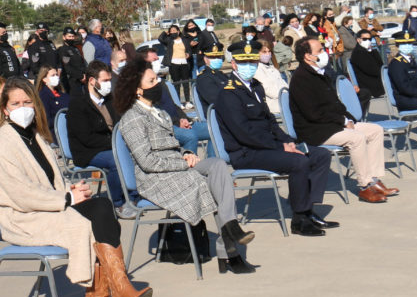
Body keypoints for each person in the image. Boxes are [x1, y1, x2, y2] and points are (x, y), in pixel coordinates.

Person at [0, 78, 151, 297]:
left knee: (102, 207)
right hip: (22, 217)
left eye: (27, 102)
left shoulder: (35, 136)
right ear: (4, 109)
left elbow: (50, 182)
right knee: (87, 222)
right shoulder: (2, 142)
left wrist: (69, 191)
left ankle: (110, 295)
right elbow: (21, 194)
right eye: (15, 103)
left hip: (46, 206)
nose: (22, 107)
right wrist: (65, 199)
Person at [114, 61, 256, 274]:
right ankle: (230, 252)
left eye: (158, 79)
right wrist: (183, 162)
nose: (158, 83)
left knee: (218, 166)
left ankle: (230, 229)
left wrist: (186, 154)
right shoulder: (132, 119)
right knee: (211, 185)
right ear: (137, 90)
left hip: (176, 168)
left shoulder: (158, 112)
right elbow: (147, 162)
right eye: (152, 81)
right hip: (155, 179)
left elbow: (169, 146)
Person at [214, 42, 336, 237]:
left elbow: (270, 122)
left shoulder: (255, 86)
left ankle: (307, 209)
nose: (250, 66)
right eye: (244, 62)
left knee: (320, 155)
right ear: (234, 64)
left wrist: (288, 141)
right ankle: (299, 219)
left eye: (253, 62)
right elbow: (244, 133)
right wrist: (280, 147)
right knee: (299, 162)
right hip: (246, 152)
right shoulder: (228, 94)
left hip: (268, 146)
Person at [288, 36, 397, 204]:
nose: (324, 53)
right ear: (308, 56)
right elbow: (313, 113)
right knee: (357, 138)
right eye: (320, 51)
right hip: (315, 131)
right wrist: (343, 122)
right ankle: (365, 186)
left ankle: (374, 180)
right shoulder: (301, 78)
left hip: (332, 124)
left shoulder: (320, 73)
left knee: (375, 130)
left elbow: (335, 104)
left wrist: (348, 119)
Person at [65, 61, 124, 206]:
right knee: (116, 160)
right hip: (88, 151)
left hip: (111, 144)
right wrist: (115, 144)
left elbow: (119, 122)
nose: (108, 84)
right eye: (105, 81)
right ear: (92, 81)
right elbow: (86, 138)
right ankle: (117, 203)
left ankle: (134, 193)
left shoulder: (110, 99)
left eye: (109, 80)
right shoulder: (78, 104)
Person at [136, 46, 208, 153]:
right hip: (168, 127)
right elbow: (157, 111)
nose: (157, 62)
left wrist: (185, 119)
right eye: (154, 60)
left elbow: (173, 106)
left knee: (212, 129)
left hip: (180, 122)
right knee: (190, 136)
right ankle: (188, 166)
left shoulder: (161, 82)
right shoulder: (146, 88)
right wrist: (178, 123)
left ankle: (210, 162)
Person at [348, 29, 386, 117]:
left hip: (374, 80)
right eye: (365, 39)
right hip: (368, 83)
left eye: (370, 39)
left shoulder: (368, 51)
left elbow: (380, 65)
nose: (368, 41)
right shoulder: (358, 53)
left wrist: (373, 52)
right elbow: (374, 70)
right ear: (358, 40)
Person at [160, 23, 195, 104]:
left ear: (178, 31)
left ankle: (187, 102)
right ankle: (178, 102)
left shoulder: (185, 40)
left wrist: (188, 54)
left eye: (174, 31)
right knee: (176, 84)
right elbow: (160, 39)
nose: (173, 32)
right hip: (174, 64)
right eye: (171, 31)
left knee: (186, 83)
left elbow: (189, 50)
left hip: (184, 63)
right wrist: (165, 32)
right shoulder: (169, 41)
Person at [253, 40, 288, 115]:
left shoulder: (273, 68)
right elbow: (270, 90)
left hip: (285, 104)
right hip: (274, 109)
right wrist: (285, 93)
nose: (268, 54)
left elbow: (283, 83)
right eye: (264, 52)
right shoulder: (257, 70)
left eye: (269, 52)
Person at [58, 27, 88, 95]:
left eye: (72, 36)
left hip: (82, 80)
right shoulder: (63, 50)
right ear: (64, 37)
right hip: (72, 81)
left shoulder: (75, 48)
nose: (71, 38)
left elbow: (81, 62)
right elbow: (67, 67)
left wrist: (85, 74)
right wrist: (81, 76)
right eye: (69, 36)